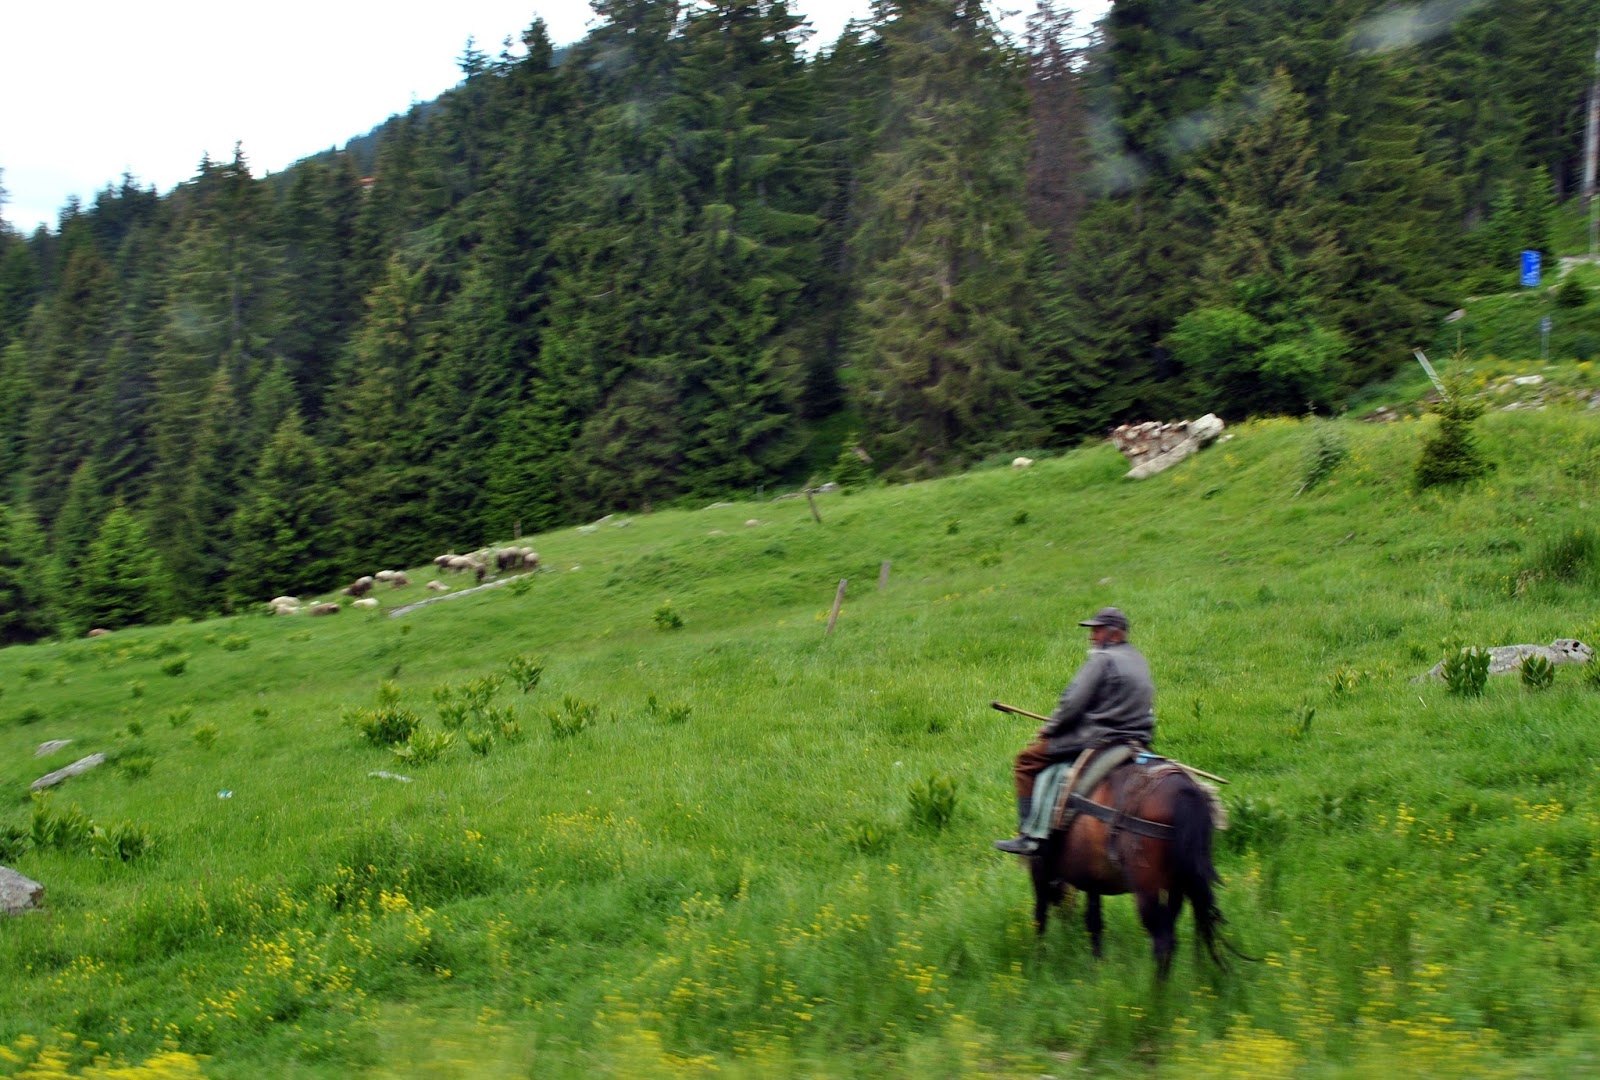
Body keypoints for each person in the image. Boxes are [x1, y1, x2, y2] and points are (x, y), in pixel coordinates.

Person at [993, 606, 1156, 855]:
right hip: (1138, 739)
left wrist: (1050, 729)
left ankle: (1028, 835)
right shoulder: (1138, 659)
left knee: (1026, 760)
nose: (1092, 636)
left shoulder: (1102, 660)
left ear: (1115, 634)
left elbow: (1072, 704)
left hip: (1098, 738)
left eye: (1097, 631)